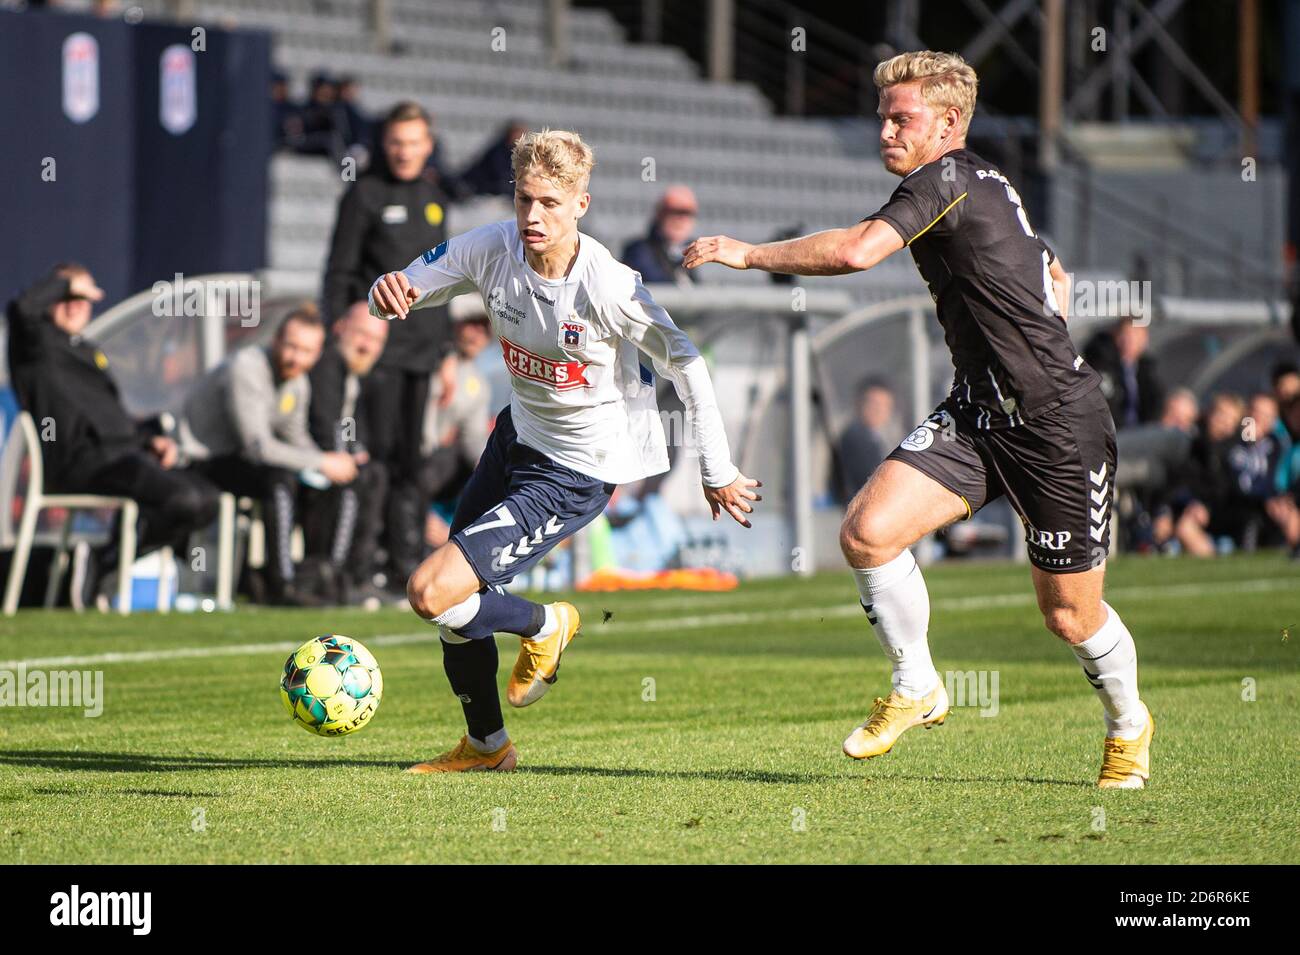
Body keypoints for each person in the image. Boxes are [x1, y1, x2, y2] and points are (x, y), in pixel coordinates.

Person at [685, 51, 1153, 789]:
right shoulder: (983, 181)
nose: (886, 130)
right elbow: (1053, 269)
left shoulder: (945, 178)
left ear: (949, 123)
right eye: (883, 117)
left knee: (1067, 615)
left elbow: (856, 250)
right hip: (978, 413)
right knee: (866, 533)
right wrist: (1036, 322)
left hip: (1058, 426)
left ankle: (1129, 728)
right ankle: (917, 685)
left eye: (901, 118)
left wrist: (746, 254)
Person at [369, 128, 760, 774]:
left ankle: (546, 623)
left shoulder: (609, 285)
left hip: (576, 471)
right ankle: (488, 747)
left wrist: (717, 468)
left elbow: (686, 364)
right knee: (457, 608)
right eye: (524, 199)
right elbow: (412, 284)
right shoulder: (496, 246)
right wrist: (393, 293)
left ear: (581, 203)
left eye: (550, 202)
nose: (532, 216)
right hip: (515, 439)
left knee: (430, 589)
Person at [5, 263, 220, 590]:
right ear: (52, 297)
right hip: (82, 461)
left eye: (84, 298)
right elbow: (22, 309)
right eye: (69, 296)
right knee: (184, 499)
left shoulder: (87, 351)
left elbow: (114, 417)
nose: (77, 304)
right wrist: (65, 282)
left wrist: (151, 441)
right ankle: (103, 563)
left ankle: (104, 563)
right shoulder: (37, 345)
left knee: (207, 498)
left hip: (124, 456)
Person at [324, 100, 457, 587]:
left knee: (411, 463)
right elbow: (338, 272)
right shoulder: (364, 195)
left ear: (428, 144)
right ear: (385, 144)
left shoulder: (432, 196)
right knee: (373, 461)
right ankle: (358, 567)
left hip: (422, 355)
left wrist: (446, 356)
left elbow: (443, 283)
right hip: (374, 355)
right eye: (397, 142)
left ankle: (405, 565)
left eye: (414, 142)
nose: (405, 152)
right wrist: (339, 330)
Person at [175, 304, 358, 605]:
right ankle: (281, 584)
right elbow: (257, 446)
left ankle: (322, 577)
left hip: (246, 463)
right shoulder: (247, 367)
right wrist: (322, 461)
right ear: (276, 340)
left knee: (335, 486)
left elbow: (295, 436)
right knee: (281, 478)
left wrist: (334, 466)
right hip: (203, 461)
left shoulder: (296, 382)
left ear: (316, 355)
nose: (295, 357)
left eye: (306, 351)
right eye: (291, 346)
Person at [303, 302, 390, 600]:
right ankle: (335, 577)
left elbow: (350, 428)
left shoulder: (351, 374)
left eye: (376, 340)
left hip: (322, 461)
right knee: (358, 480)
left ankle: (357, 575)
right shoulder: (327, 365)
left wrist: (357, 450)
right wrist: (345, 456)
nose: (367, 346)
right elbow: (323, 427)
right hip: (303, 464)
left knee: (373, 473)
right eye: (361, 335)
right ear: (340, 328)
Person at [418, 298, 493, 549]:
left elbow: (473, 441)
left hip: (436, 470)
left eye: (485, 328)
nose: (477, 334)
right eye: (472, 324)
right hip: (412, 459)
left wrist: (491, 468)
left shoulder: (478, 385)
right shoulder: (426, 360)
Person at [1084, 317, 1165, 428]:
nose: (1130, 340)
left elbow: (1156, 403)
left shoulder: (1147, 370)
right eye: (1126, 334)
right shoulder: (1102, 364)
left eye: (1136, 335)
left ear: (1144, 339)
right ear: (1116, 336)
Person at [621, 184, 700, 285]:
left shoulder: (691, 252)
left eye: (686, 213)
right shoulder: (638, 252)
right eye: (673, 212)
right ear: (659, 214)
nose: (679, 220)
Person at [836, 377, 896, 503]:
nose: (878, 410)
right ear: (858, 403)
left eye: (884, 405)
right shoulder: (855, 438)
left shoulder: (877, 437)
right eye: (873, 404)